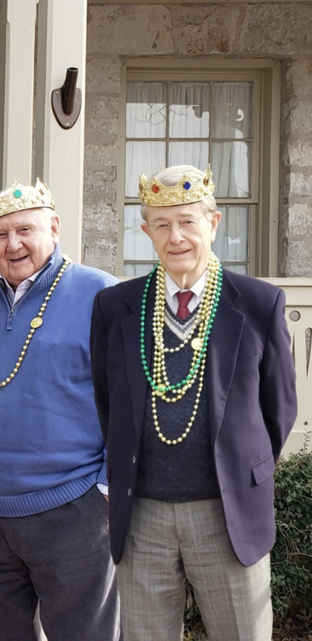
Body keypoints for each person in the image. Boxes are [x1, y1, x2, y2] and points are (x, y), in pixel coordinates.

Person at [90, 164, 297, 640]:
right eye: (162, 224)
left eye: (188, 221)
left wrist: (243, 470)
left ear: (214, 223)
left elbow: (279, 409)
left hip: (226, 514)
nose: (176, 236)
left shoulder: (259, 303)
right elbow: (109, 403)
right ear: (146, 231)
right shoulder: (115, 307)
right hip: (142, 515)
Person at [0, 180, 120, 640]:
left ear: (54, 228)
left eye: (25, 230)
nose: (13, 244)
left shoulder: (102, 296)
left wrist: (105, 486)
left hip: (72, 508)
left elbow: (128, 402)